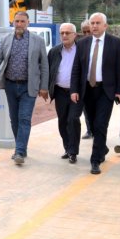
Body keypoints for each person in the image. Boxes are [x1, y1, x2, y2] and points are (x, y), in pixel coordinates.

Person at [0, 11, 49, 165]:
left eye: (22, 21)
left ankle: (19, 152)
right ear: (13, 22)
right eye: (17, 21)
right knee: (15, 119)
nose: (19, 24)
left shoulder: (38, 41)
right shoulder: (5, 39)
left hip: (28, 86)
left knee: (24, 118)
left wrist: (44, 87)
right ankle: (22, 148)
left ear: (28, 23)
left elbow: (44, 65)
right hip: (10, 85)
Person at [70, 12, 120, 175]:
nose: (94, 26)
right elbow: (76, 68)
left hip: (105, 90)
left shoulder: (115, 43)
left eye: (97, 23)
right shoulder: (82, 43)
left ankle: (95, 161)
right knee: (94, 126)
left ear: (105, 26)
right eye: (92, 23)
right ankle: (102, 148)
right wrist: (74, 90)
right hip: (87, 90)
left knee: (101, 124)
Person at [47, 23, 80, 164]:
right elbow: (48, 71)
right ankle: (67, 148)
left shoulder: (81, 50)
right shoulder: (54, 51)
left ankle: (73, 151)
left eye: (68, 33)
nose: (64, 35)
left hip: (76, 92)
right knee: (62, 121)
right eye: (62, 33)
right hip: (60, 91)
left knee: (73, 120)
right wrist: (45, 88)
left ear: (75, 35)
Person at [78, 21, 94, 139]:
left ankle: (97, 130)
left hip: (99, 84)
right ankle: (89, 130)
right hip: (84, 84)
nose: (87, 34)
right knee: (86, 110)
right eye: (85, 32)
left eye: (89, 31)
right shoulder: (80, 44)